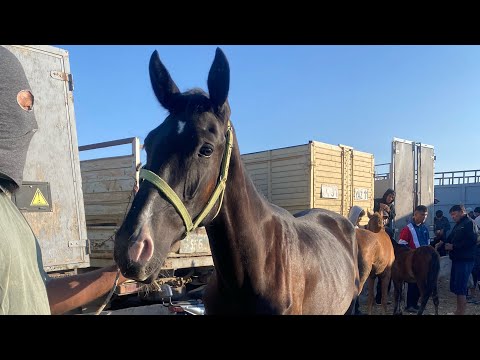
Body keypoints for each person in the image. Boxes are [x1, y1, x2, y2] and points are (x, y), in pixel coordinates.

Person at [0, 46, 128, 314]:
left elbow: (39, 297)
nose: (31, 123)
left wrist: (119, 272)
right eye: (23, 107)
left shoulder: (8, 208)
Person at [444, 205, 477, 315]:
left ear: (461, 212)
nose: (452, 217)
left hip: (465, 260)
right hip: (457, 259)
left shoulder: (469, 223)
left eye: (454, 214)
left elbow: (472, 241)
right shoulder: (458, 224)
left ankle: (461, 312)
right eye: (451, 215)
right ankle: (458, 310)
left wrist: (454, 246)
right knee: (457, 286)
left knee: (461, 286)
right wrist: (441, 243)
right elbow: (450, 237)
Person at [397, 205, 430, 313]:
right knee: (412, 284)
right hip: (412, 261)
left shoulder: (425, 228)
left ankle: (415, 304)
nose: (424, 218)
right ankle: (409, 305)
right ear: (415, 214)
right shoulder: (407, 229)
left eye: (425, 215)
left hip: (424, 261)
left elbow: (427, 243)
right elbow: (402, 245)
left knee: (420, 284)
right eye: (422, 215)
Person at [373, 189, 395, 305]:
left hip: (386, 230)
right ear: (385, 195)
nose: (390, 198)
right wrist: (379, 205)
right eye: (389, 196)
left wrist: (389, 210)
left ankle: (383, 298)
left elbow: (393, 216)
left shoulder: (391, 206)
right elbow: (370, 206)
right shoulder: (378, 201)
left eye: (392, 197)